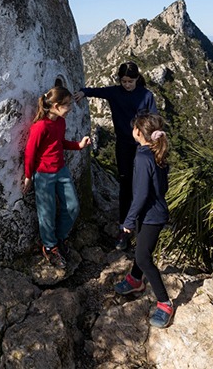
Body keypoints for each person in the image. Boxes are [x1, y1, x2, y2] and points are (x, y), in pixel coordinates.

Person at [74, 61, 157, 250]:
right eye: (124, 81)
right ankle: (124, 228)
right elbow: (98, 91)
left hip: (143, 147)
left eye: (130, 81)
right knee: (125, 185)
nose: (127, 85)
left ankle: (143, 226)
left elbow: (155, 119)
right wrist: (83, 92)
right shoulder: (115, 92)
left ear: (137, 79)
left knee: (142, 185)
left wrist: (155, 140)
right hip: (123, 146)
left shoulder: (146, 95)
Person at [113, 112, 173, 328]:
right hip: (155, 212)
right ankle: (135, 280)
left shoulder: (141, 158)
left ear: (138, 132)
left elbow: (139, 195)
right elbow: (162, 188)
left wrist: (128, 222)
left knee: (143, 257)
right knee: (143, 250)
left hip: (150, 216)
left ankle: (165, 302)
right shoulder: (157, 154)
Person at [23, 86, 92, 269]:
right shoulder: (40, 127)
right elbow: (30, 152)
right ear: (55, 105)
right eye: (67, 104)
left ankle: (60, 238)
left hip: (61, 171)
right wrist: (29, 176)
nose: (70, 108)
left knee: (72, 206)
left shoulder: (60, 122)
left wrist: (78, 145)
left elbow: (59, 143)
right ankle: (49, 245)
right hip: (44, 174)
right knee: (47, 212)